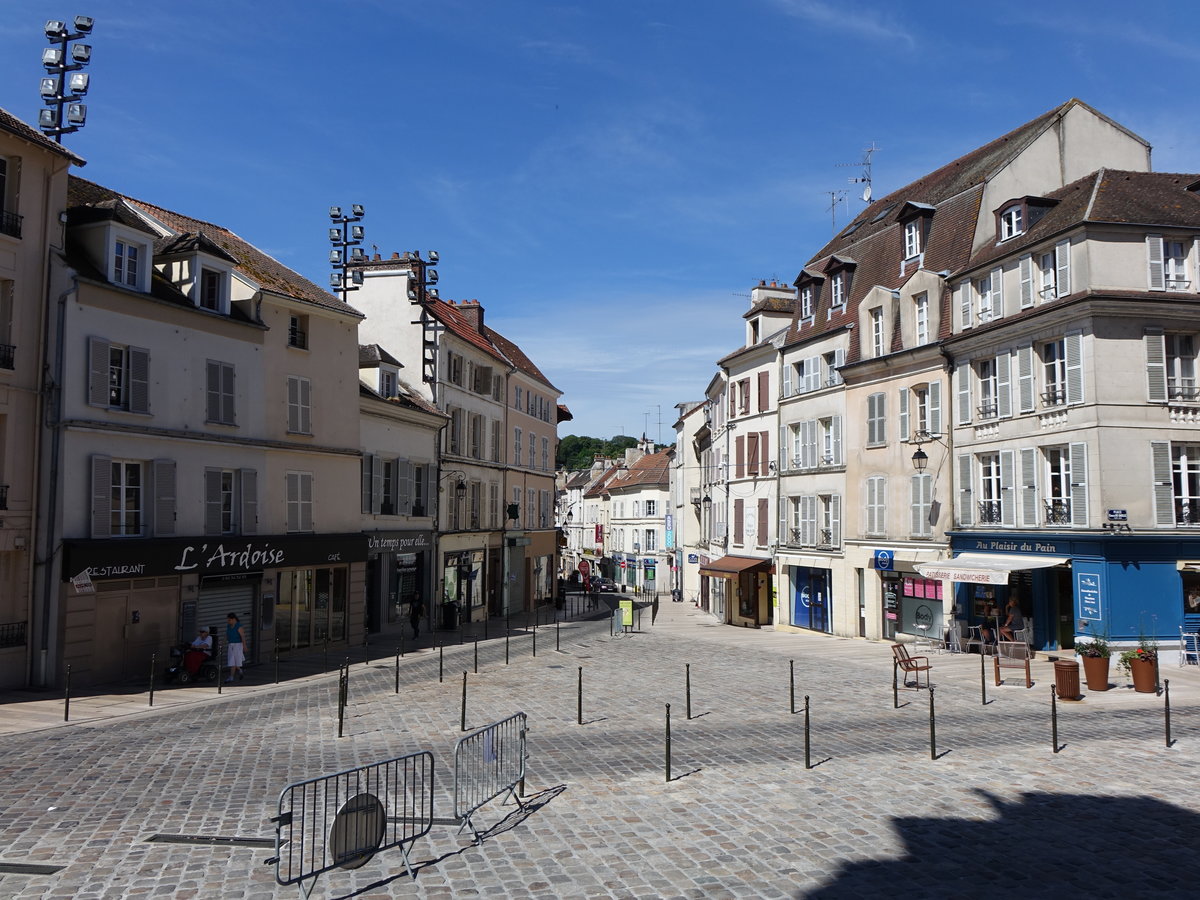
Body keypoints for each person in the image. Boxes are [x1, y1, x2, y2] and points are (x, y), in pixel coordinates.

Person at [225, 612, 246, 682]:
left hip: (238, 645)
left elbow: (242, 637)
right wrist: (223, 642)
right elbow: (227, 635)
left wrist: (244, 646)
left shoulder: (238, 626)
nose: (228, 621)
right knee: (231, 661)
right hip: (231, 644)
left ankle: (239, 671)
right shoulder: (228, 626)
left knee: (237, 662)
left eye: (229, 620)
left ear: (233, 619)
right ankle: (232, 676)